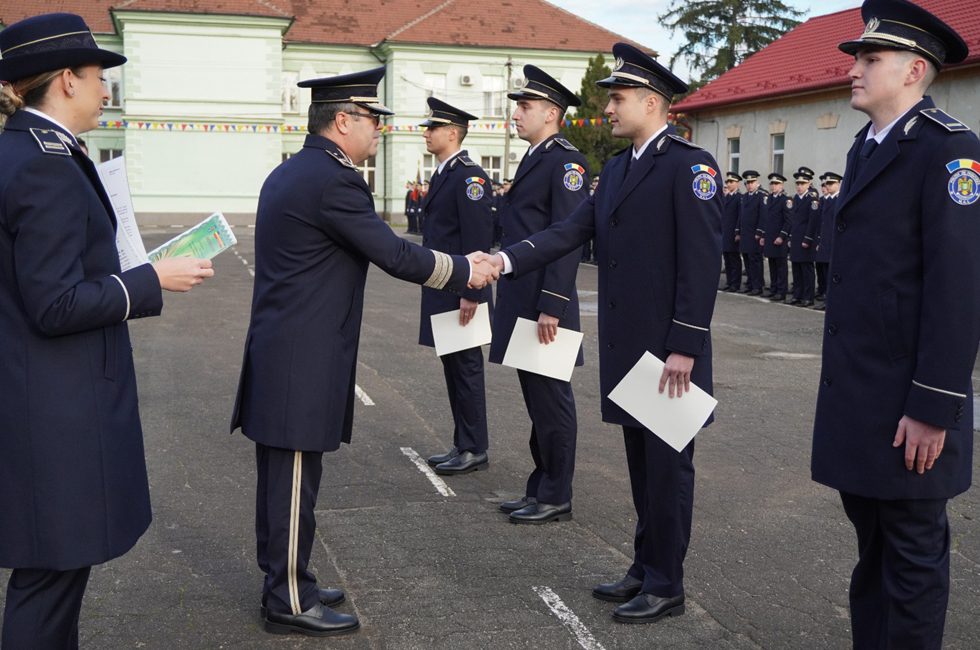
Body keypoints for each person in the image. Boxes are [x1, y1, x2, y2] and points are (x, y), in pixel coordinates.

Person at [230, 67, 497, 638]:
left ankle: (289, 577)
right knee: (292, 480)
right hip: (301, 358)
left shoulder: (295, 169)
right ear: (342, 121)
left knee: (286, 480)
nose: (379, 129)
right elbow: (394, 254)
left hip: (286, 349)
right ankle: (288, 599)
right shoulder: (334, 180)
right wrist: (464, 270)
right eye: (372, 119)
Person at [487, 42, 722, 624]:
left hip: (668, 351)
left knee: (668, 469)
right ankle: (645, 566)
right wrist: (505, 260)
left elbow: (701, 263)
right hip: (630, 345)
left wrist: (685, 345)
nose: (608, 109)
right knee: (642, 466)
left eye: (617, 99)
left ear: (652, 102)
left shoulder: (690, 166)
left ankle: (667, 584)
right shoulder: (617, 168)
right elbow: (568, 231)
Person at [0, 13, 214, 649]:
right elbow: (54, 303)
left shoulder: (32, 151)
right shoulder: (43, 163)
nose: (105, 90)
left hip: (38, 393)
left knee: (55, 573)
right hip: (54, 407)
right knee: (51, 577)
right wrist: (151, 280)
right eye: (99, 77)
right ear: (66, 80)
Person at [812, 1, 979, 648]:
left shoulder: (949, 150)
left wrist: (935, 406)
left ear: (913, 71)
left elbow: (958, 288)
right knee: (873, 551)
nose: (853, 69)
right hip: (864, 396)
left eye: (870, 58)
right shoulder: (868, 146)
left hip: (912, 404)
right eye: (857, 57)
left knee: (911, 559)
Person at [490, 65, 590, 524]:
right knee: (537, 401)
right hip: (522, 297)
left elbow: (566, 238)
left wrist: (553, 304)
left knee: (552, 401)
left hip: (545, 303)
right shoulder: (535, 157)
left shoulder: (566, 162)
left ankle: (556, 494)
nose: (516, 114)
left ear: (551, 113)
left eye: (525, 106)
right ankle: (540, 486)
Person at [416, 97, 495, 476]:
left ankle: (474, 447)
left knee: (466, 369)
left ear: (452, 133)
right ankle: (463, 442)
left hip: (462, 290)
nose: (426, 133)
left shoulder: (469, 177)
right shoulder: (444, 173)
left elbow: (478, 239)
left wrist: (472, 294)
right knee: (453, 367)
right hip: (444, 285)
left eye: (432, 128)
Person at [786, 168, 818, 306]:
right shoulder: (796, 199)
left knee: (807, 270)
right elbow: (793, 221)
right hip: (796, 239)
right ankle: (797, 295)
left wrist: (808, 239)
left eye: (802, 184)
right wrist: (790, 237)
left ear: (809, 184)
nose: (799, 186)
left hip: (805, 239)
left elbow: (813, 222)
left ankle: (808, 297)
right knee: (796, 269)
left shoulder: (812, 200)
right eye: (797, 184)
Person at [812, 171, 841, 309]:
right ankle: (826, 299)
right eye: (826, 184)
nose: (827, 186)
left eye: (830, 183)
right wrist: (819, 241)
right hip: (824, 242)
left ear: (838, 184)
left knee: (831, 274)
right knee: (824, 272)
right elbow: (822, 223)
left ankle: (831, 302)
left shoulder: (840, 200)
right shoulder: (825, 200)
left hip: (834, 243)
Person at [759, 173, 790, 301]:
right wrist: (763, 235)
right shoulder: (770, 198)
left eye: (776, 184)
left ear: (782, 185)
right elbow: (766, 219)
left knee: (781, 266)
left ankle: (781, 291)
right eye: (772, 184)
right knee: (772, 265)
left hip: (779, 238)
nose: (773, 186)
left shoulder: (785, 200)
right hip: (770, 237)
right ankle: (773, 288)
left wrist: (782, 236)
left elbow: (788, 220)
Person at [735, 170, 765, 295]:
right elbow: (741, 216)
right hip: (745, 233)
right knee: (747, 260)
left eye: (752, 182)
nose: (750, 185)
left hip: (754, 234)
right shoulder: (745, 197)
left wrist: (759, 231)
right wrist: (738, 231)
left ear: (757, 182)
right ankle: (750, 283)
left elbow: (763, 216)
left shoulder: (761, 196)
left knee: (755, 261)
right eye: (747, 183)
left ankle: (757, 285)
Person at [721, 171, 743, 292]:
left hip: (733, 233)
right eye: (728, 182)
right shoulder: (727, 197)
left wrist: (737, 231)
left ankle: (735, 283)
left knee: (734, 259)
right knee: (727, 259)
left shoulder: (739, 198)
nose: (729, 184)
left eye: (731, 182)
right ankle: (729, 282)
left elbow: (740, 216)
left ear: (737, 183)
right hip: (725, 232)